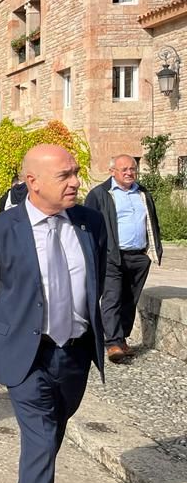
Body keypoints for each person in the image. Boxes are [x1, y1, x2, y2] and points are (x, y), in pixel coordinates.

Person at [0, 145, 107, 483]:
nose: (76, 182)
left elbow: (96, 278)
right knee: (42, 442)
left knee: (49, 441)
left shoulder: (90, 224)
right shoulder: (0, 230)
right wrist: (13, 331)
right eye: (65, 175)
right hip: (28, 358)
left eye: (76, 173)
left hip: (75, 355)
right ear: (33, 182)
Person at [84, 154, 162, 362]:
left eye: (132, 169)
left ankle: (122, 338)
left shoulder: (143, 193)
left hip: (138, 256)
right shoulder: (100, 194)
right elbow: (88, 226)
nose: (129, 173)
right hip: (112, 255)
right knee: (112, 297)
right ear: (112, 172)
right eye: (124, 169)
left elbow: (152, 221)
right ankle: (112, 343)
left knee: (129, 299)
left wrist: (151, 251)